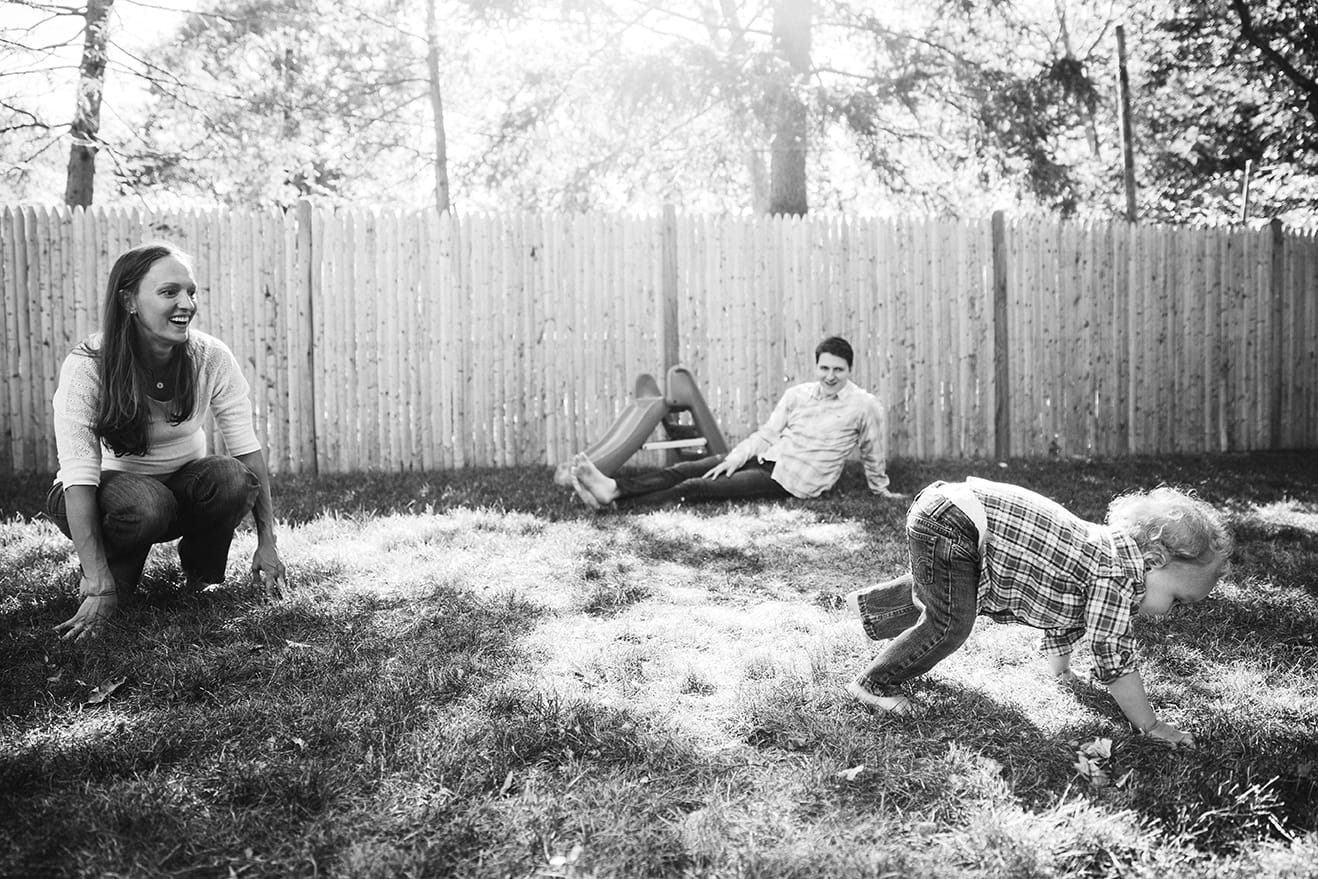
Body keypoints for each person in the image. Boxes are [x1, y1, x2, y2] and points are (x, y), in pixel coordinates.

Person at [845, 478, 1232, 748]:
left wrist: (1060, 669)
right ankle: (875, 683)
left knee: (947, 593)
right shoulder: (1117, 574)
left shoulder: (1105, 559)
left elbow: (1065, 619)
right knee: (951, 622)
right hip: (957, 521)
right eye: (1177, 600)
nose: (1171, 613)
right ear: (1154, 560)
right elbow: (1112, 655)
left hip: (953, 511)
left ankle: (870, 612)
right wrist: (1150, 724)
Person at [48, 242, 287, 642]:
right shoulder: (89, 365)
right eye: (168, 292)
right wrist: (98, 579)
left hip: (179, 492)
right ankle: (105, 573)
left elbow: (247, 449)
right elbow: (78, 477)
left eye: (190, 291)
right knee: (144, 510)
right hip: (110, 497)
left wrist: (268, 542)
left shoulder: (210, 356)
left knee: (233, 477)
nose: (186, 303)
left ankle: (203, 576)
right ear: (129, 300)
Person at [568, 336, 895, 509]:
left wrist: (881, 490)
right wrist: (735, 458)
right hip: (767, 457)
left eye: (838, 370)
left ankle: (614, 497)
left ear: (849, 370)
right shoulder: (798, 395)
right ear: (816, 367)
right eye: (824, 368)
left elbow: (872, 450)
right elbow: (767, 434)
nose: (830, 376)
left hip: (795, 480)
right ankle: (612, 491)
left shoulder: (864, 406)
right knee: (685, 469)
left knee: (697, 488)